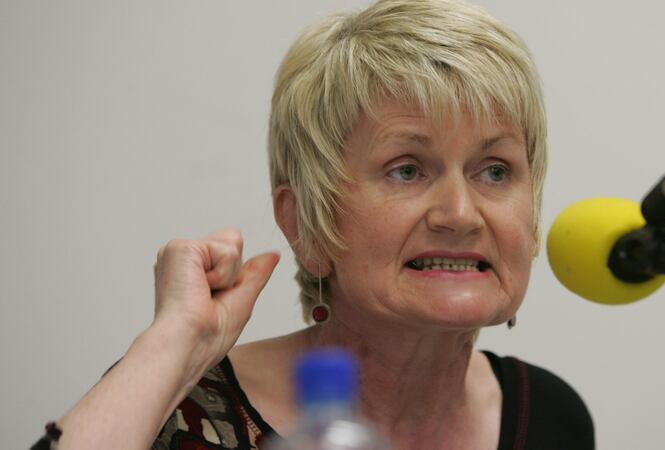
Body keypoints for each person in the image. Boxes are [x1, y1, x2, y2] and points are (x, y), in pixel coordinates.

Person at [32, 0, 594, 449]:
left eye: (495, 171)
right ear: (305, 222)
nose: (461, 214)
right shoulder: (178, 410)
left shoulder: (551, 415)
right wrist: (174, 345)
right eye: (407, 170)